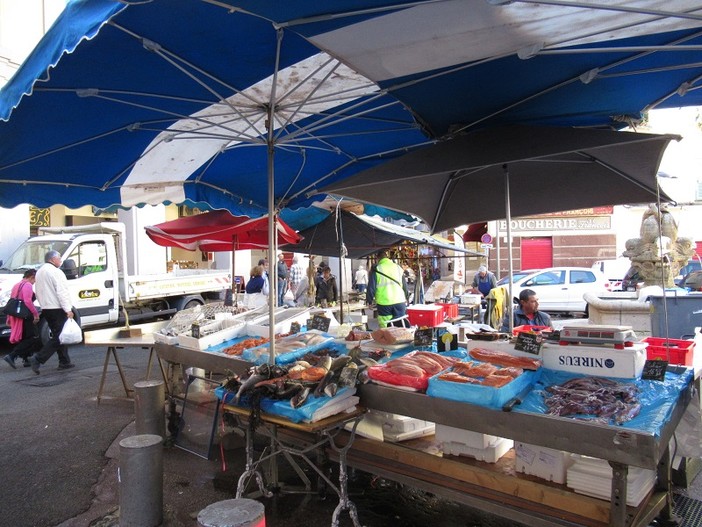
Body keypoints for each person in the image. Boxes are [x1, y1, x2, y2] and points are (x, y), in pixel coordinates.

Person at [28, 251, 76, 374]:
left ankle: (64, 361)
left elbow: (37, 290)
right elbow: (61, 292)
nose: (60, 261)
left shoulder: (40, 272)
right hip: (57, 307)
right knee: (59, 336)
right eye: (59, 258)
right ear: (53, 259)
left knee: (59, 334)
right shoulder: (56, 272)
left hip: (46, 307)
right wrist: (68, 309)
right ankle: (38, 358)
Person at [3, 269, 41, 369]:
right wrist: (36, 314)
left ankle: (26, 359)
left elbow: (11, 302)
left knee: (24, 337)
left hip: (16, 315)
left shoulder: (16, 285)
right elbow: (28, 301)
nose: (35, 282)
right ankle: (12, 355)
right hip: (26, 315)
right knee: (32, 337)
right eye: (35, 279)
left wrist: (8, 318)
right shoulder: (28, 285)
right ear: (32, 277)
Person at [366, 250, 408, 328]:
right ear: (387, 257)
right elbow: (405, 285)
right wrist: (407, 297)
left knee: (386, 326)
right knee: (401, 324)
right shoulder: (398, 267)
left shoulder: (377, 269)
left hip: (384, 303)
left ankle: (387, 339)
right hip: (400, 302)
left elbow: (371, 287)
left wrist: (369, 301)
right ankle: (402, 339)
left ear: (378, 259)